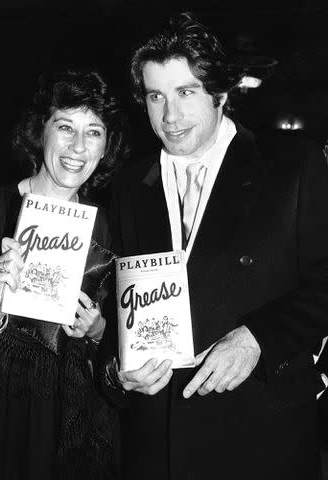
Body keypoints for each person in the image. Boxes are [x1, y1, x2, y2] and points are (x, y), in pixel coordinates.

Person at [106, 12, 328, 480]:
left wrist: (258, 339)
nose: (170, 116)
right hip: (157, 444)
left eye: (186, 92)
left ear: (221, 94)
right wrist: (117, 369)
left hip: (261, 436)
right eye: (155, 96)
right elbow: (117, 304)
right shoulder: (128, 185)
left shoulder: (294, 165)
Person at [0, 68, 126, 479]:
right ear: (40, 131)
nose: (78, 147)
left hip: (78, 419)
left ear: (106, 147)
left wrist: (97, 328)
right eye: (65, 126)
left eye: (94, 132)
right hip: (1, 416)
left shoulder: (108, 226)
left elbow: (116, 338)